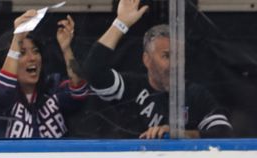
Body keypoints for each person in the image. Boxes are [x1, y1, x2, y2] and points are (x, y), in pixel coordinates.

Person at [83, 0, 232, 139]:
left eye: (179, 56)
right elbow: (94, 71)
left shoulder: (195, 94)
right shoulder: (130, 87)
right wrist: (120, 23)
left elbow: (223, 132)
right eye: (167, 56)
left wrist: (180, 135)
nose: (175, 64)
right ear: (146, 59)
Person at [0, 11, 88, 139]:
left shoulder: (53, 87)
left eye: (36, 51)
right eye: (22, 53)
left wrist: (66, 49)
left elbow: (80, 92)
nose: (32, 58)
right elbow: (3, 93)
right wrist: (17, 40)